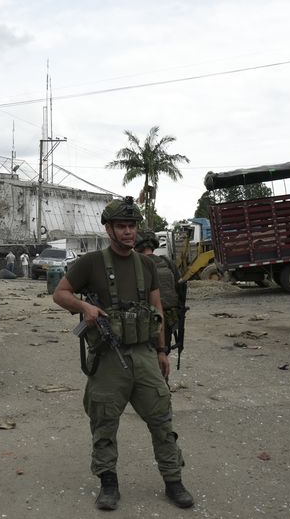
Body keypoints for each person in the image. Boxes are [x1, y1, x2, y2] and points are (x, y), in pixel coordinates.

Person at [52, 196, 193, 511]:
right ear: (109, 229)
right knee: (104, 422)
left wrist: (162, 350)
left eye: (132, 226)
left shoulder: (147, 264)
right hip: (108, 358)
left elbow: (157, 309)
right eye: (121, 226)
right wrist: (85, 306)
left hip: (143, 354)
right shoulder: (90, 262)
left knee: (161, 420)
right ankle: (108, 484)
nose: (129, 232)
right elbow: (60, 293)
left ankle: (174, 481)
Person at [134, 230, 186, 359]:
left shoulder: (136, 264)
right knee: (162, 355)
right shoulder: (166, 262)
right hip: (169, 320)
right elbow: (180, 289)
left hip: (145, 320)